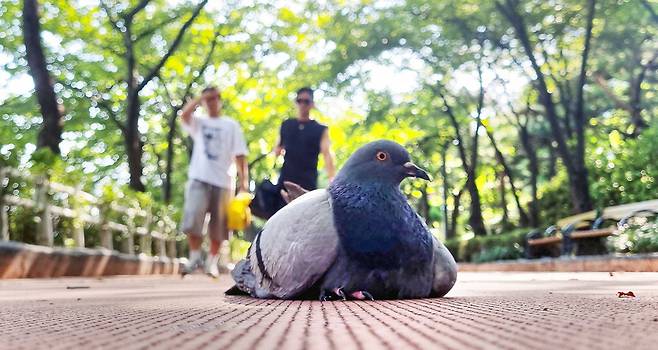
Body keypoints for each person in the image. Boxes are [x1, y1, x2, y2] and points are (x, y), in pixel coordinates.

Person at [179, 86, 249, 278]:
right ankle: (194, 258)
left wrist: (244, 183)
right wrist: (199, 97)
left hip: (224, 182)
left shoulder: (231, 125)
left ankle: (212, 261)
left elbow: (241, 155)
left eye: (214, 98)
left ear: (220, 100)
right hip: (199, 178)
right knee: (193, 218)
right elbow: (184, 115)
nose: (211, 102)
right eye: (207, 99)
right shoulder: (199, 123)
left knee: (219, 227)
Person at [274, 87, 336, 202]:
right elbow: (277, 149)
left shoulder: (320, 129)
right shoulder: (287, 124)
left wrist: (332, 179)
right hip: (285, 181)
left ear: (312, 104)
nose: (302, 104)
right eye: (299, 101)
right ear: (296, 103)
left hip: (308, 183)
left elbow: (327, 154)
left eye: (306, 101)